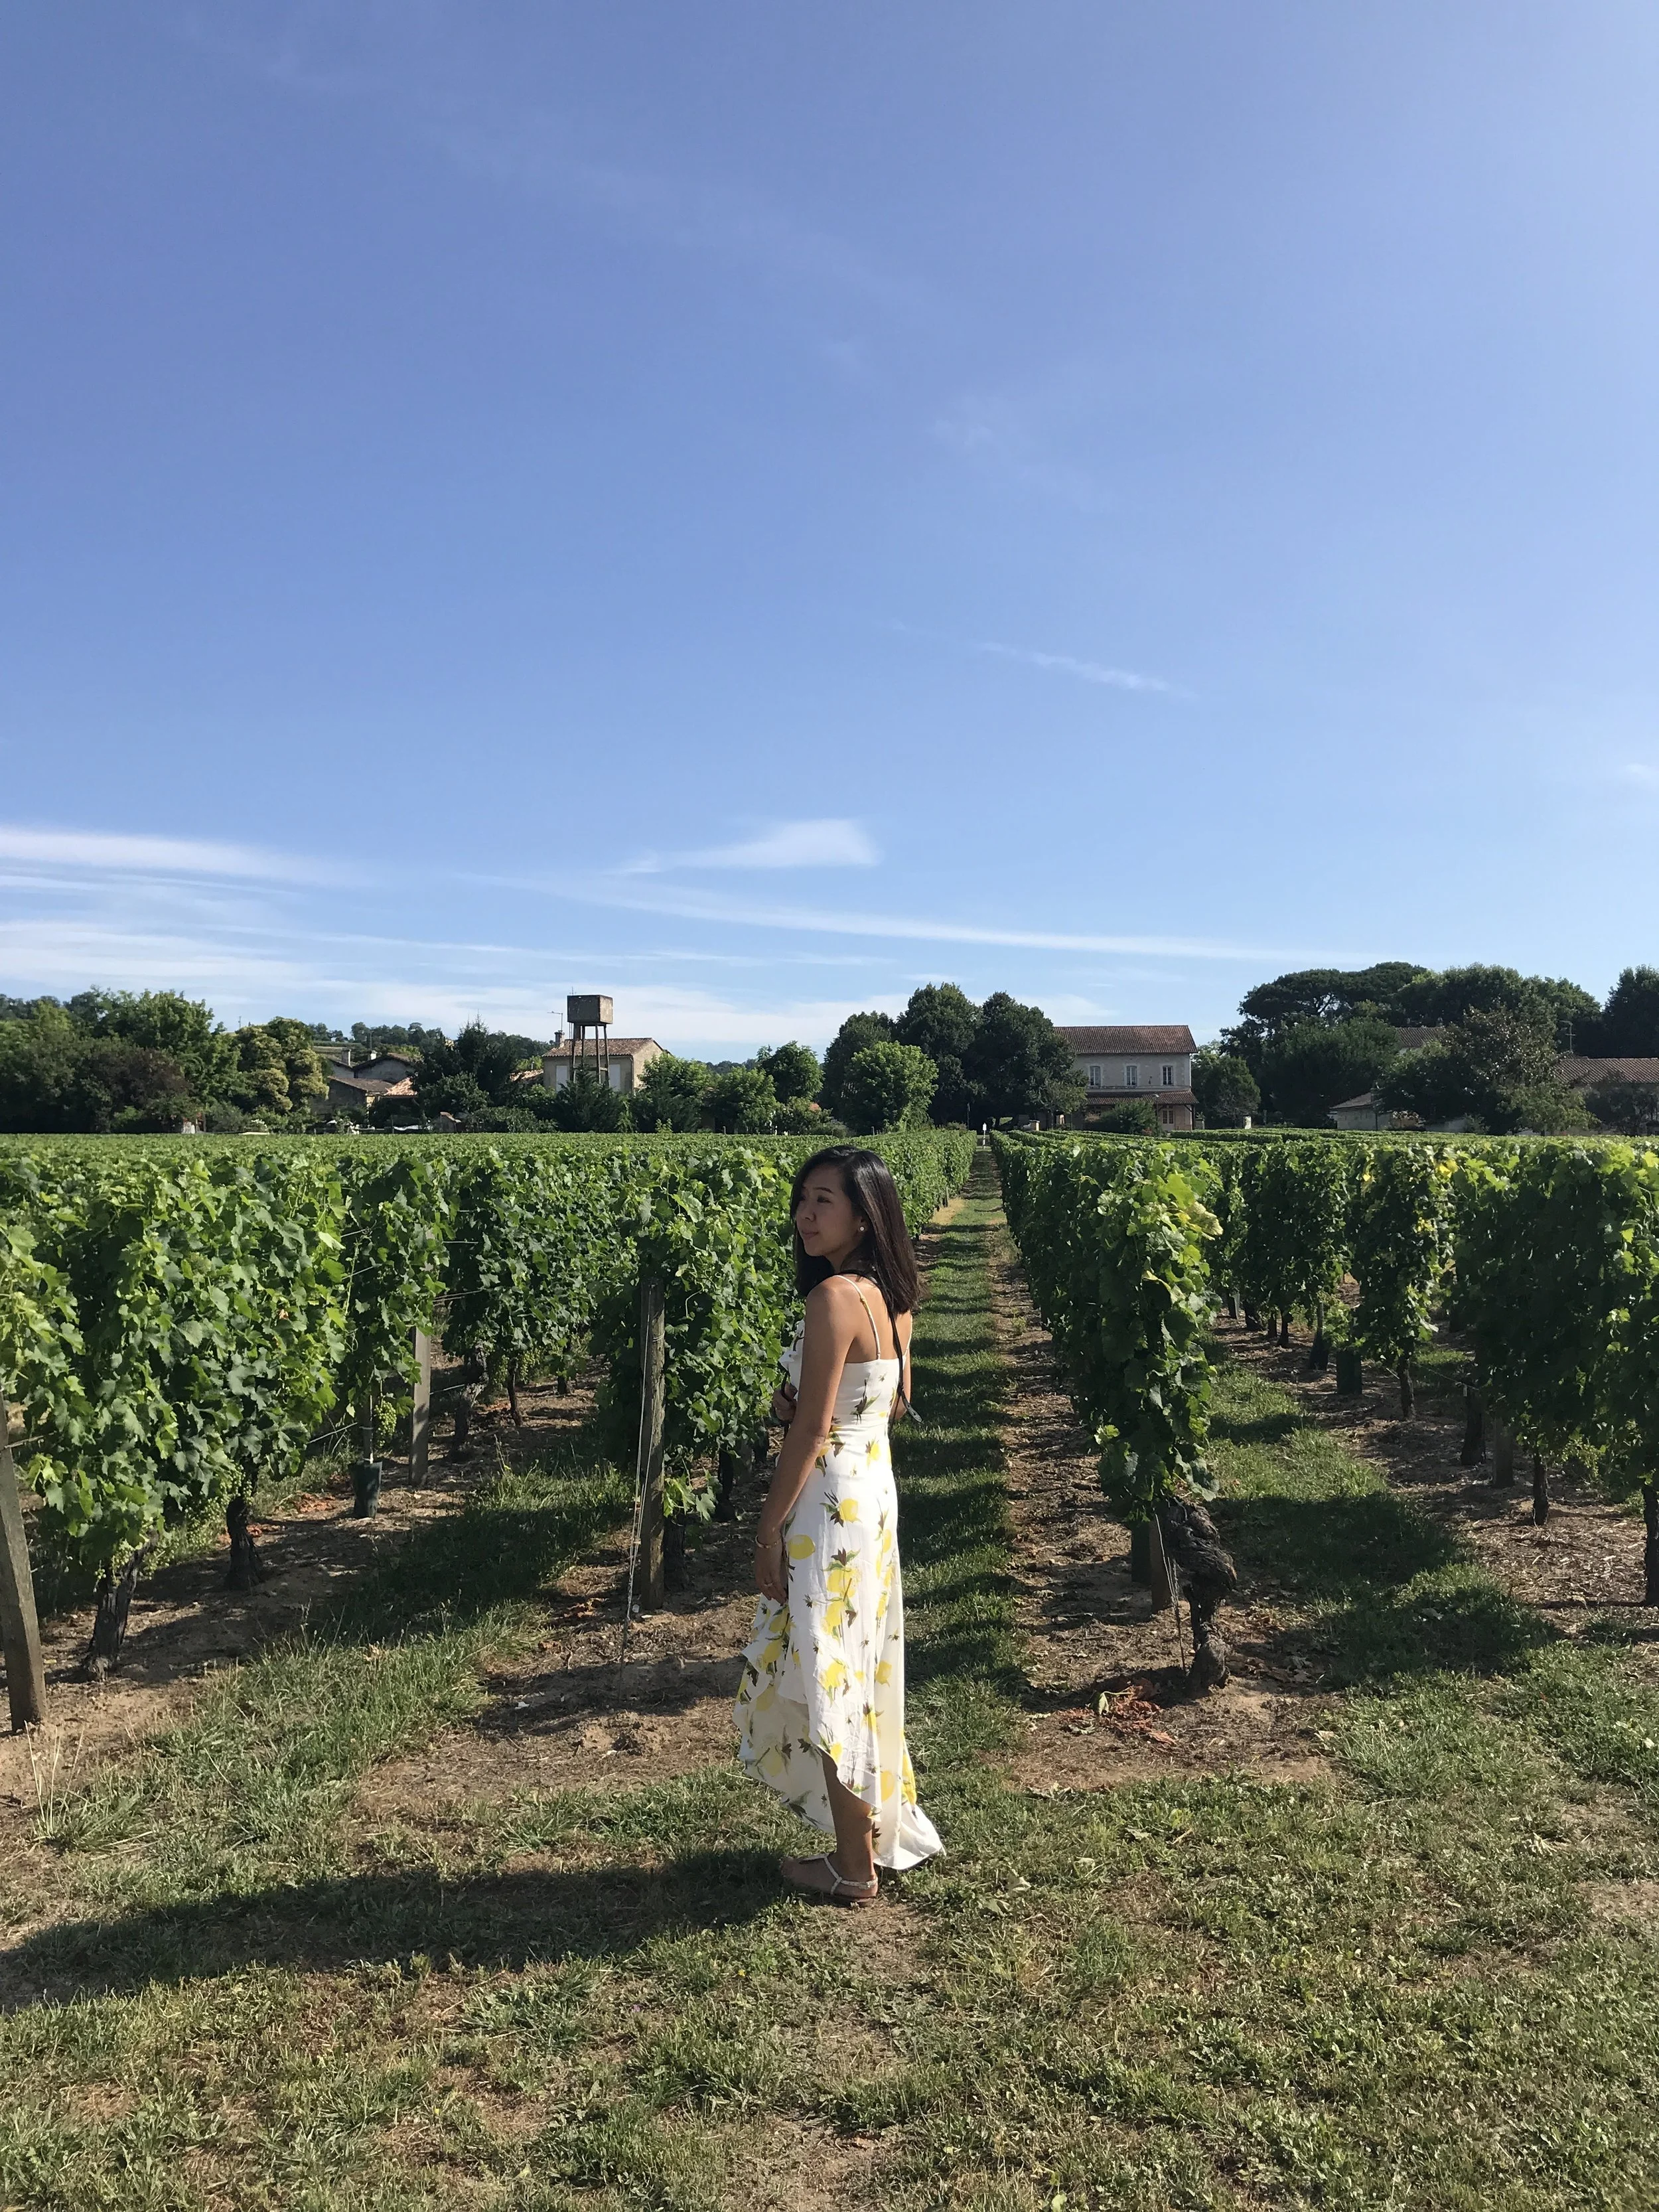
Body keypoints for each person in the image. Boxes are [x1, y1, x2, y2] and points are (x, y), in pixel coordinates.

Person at [733, 1145, 943, 1904]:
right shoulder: (891, 1298)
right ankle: (863, 1845)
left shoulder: (831, 1302)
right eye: (802, 1199)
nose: (805, 1214)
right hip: (872, 1492)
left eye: (823, 1200)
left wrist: (766, 1530)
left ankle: (853, 1867)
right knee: (856, 1666)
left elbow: (812, 1432)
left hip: (827, 1502)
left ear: (863, 1212)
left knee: (830, 1674)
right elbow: (890, 1400)